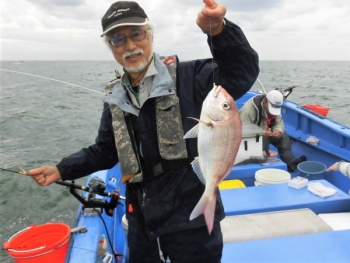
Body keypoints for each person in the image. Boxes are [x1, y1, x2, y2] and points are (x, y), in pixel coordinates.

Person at [28, 1, 259, 262]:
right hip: (142, 221)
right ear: (111, 48)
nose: (129, 45)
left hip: (190, 222)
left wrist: (219, 31)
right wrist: (61, 169)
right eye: (118, 39)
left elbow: (242, 73)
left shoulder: (191, 76)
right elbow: (105, 151)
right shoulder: (115, 97)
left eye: (136, 34)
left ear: (150, 34)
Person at [239, 89, 306, 172]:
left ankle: (291, 162)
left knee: (282, 136)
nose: (273, 112)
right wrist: (261, 133)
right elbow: (242, 130)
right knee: (262, 142)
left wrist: (278, 130)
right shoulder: (248, 110)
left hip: (265, 132)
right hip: (248, 138)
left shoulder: (275, 105)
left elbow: (279, 122)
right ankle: (259, 165)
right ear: (265, 101)